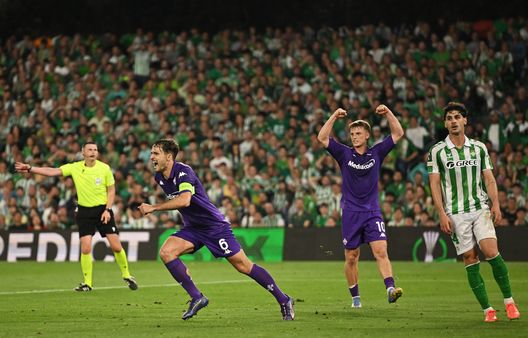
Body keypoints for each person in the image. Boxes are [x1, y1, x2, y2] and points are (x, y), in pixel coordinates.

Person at [138, 139, 294, 320]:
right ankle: (197, 297)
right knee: (166, 252)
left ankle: (284, 300)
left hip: (214, 227)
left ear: (169, 156)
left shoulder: (183, 171)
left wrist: (154, 207)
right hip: (193, 228)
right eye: (151, 153)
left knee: (243, 266)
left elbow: (185, 200)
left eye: (156, 154)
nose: (151, 158)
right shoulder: (159, 177)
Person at [428, 101, 520, 322]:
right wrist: (441, 213)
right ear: (445, 123)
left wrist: (495, 204)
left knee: (490, 251)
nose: (453, 121)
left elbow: (488, 178)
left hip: (479, 207)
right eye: (449, 118)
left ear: (465, 120)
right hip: (455, 212)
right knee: (470, 257)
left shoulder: (478, 148)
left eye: (457, 117)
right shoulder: (437, 152)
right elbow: (434, 184)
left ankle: (509, 302)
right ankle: (487, 309)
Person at [15, 142, 138, 292]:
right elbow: (52, 171)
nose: (93, 152)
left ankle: (126, 275)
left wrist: (108, 209)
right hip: (84, 212)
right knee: (85, 248)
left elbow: (111, 191)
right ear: (83, 152)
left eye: (95, 150)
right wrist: (30, 168)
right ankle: (88, 283)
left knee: (116, 246)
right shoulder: (75, 167)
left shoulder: (104, 168)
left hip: (103, 210)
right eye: (90, 150)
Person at [317, 105, 404, 308]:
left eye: (358, 133)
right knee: (351, 257)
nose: (354, 136)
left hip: (372, 211)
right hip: (351, 213)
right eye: (352, 133)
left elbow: (398, 133)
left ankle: (390, 289)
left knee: (381, 251)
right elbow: (322, 138)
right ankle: (356, 298)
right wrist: (333, 116)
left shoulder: (377, 153)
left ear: (367, 136)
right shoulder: (344, 154)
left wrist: (388, 113)